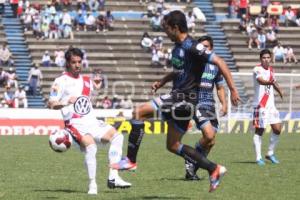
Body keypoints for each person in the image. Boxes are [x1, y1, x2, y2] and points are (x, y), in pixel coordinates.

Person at [112, 10, 240, 192]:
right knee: (172, 145)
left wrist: (233, 90)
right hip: (181, 99)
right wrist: (162, 82)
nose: (164, 32)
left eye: (166, 28)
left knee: (138, 112)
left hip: (184, 98)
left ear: (176, 28)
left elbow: (220, 61)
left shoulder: (192, 46)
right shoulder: (178, 48)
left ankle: (131, 160)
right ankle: (214, 169)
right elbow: (178, 71)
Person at [48, 48, 131, 195]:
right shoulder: (60, 81)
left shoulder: (86, 80)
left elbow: (94, 89)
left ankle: (114, 176)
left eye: (79, 62)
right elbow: (51, 103)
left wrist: (98, 86)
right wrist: (66, 101)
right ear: (67, 63)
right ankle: (93, 185)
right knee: (91, 146)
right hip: (74, 123)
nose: (77, 65)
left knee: (118, 136)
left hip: (91, 120)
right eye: (74, 62)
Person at [183, 36, 228, 181]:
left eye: (207, 46)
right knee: (208, 136)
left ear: (211, 49)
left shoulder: (215, 67)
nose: (204, 49)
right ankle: (191, 158)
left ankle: (192, 168)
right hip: (197, 103)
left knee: (211, 141)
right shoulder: (193, 64)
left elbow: (220, 87)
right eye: (201, 46)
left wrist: (224, 104)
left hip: (210, 105)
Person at [252, 49, 283, 166]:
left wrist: (280, 91)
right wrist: (271, 83)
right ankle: (258, 157)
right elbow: (260, 81)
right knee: (260, 131)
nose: (266, 59)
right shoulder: (257, 69)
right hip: (260, 105)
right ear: (261, 59)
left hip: (271, 105)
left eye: (268, 57)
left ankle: (270, 153)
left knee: (277, 129)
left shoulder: (271, 70)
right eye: (264, 58)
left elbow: (274, 82)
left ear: (270, 59)